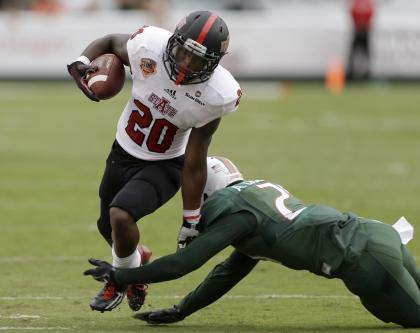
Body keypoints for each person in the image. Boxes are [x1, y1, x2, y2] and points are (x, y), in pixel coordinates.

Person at [84, 156, 420, 328]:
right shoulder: (254, 200)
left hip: (365, 259)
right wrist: (182, 310)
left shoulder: (235, 213)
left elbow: (184, 263)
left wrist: (120, 275)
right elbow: (229, 271)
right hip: (376, 234)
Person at [68, 11, 241, 313]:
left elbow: (196, 158)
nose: (186, 64)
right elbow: (108, 41)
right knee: (107, 226)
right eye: (183, 52)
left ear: (213, 64)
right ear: (173, 41)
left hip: (165, 164)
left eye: (197, 60)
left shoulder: (216, 94)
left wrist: (191, 217)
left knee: (121, 215)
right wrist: (82, 62)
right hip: (122, 150)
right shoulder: (148, 46)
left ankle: (119, 280)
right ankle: (136, 265)